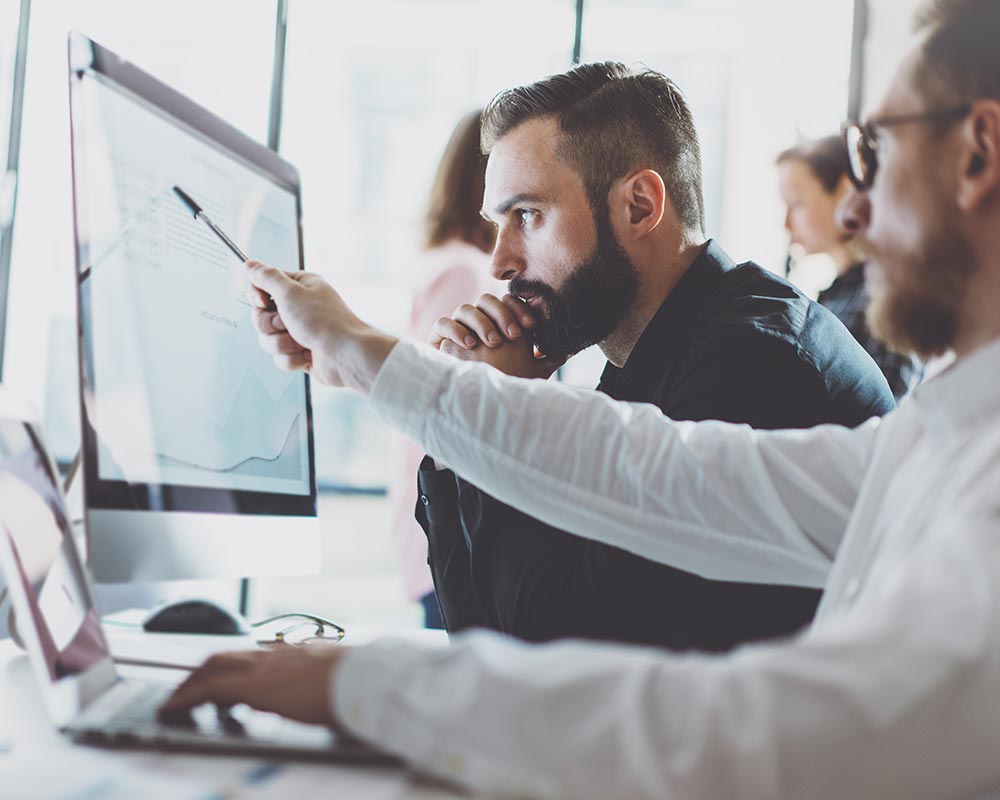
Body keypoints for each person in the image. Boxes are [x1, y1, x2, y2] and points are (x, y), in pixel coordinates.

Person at [161, 0, 1000, 796]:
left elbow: (641, 683)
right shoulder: (938, 434)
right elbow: (647, 471)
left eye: (875, 154)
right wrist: (380, 366)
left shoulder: (758, 357)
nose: (851, 207)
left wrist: (367, 683)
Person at [413, 66, 893, 650]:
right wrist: (457, 435)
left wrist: (508, 412)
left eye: (529, 216)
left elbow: (560, 657)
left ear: (639, 206)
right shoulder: (642, 360)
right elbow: (479, 643)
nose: (501, 262)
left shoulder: (754, 366)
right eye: (499, 223)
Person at [386, 109, 500, 628]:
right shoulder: (466, 272)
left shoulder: (450, 264)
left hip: (438, 524)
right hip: (454, 528)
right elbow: (446, 401)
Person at [777, 134, 923, 399]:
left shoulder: (882, 300)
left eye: (796, 204)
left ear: (845, 190)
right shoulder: (837, 296)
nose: (786, 224)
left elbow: (883, 414)